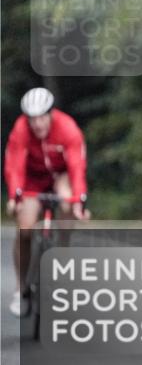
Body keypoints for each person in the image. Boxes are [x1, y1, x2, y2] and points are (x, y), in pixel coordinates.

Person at [5, 87, 90, 317]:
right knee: (24, 229)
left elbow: (76, 168)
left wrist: (78, 202)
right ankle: (21, 289)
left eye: (42, 117)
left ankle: (62, 252)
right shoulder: (20, 130)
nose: (38, 124)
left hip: (59, 178)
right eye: (32, 119)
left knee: (66, 202)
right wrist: (15, 196)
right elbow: (14, 166)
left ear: (51, 114)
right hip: (33, 181)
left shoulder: (68, 128)